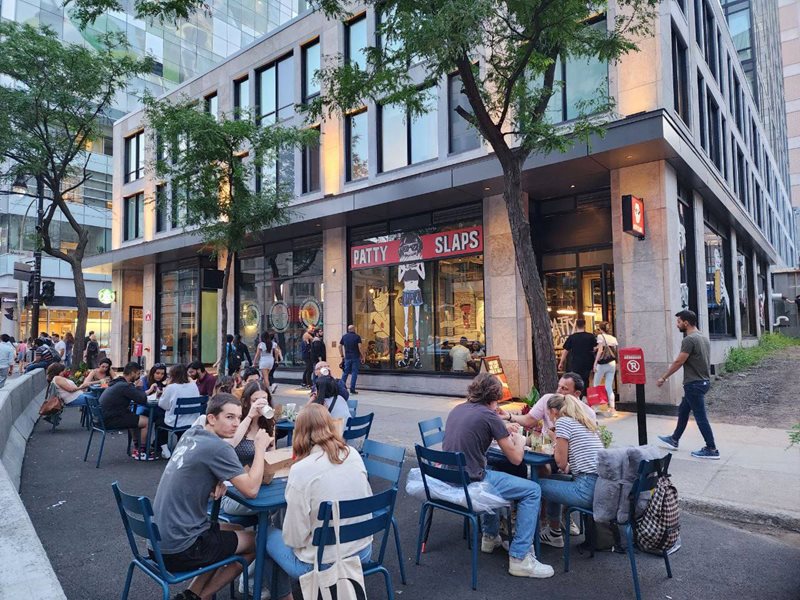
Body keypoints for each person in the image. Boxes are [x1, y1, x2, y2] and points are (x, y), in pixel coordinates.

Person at [152, 394, 267, 600]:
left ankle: (191, 595)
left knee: (237, 530)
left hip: (158, 541)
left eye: (238, 418)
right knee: (255, 542)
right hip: (181, 547)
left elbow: (197, 466)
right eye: (230, 417)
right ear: (212, 418)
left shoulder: (192, 433)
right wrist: (259, 448)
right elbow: (251, 490)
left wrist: (218, 478)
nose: (235, 423)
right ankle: (202, 597)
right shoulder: (218, 447)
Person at [442, 373, 554, 579]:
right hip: (470, 481)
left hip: (448, 477)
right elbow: (516, 459)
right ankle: (520, 558)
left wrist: (501, 427)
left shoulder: (458, 409)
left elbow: (478, 427)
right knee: (532, 490)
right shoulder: (489, 416)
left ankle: (490, 536)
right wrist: (519, 440)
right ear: (496, 396)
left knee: (494, 472)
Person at [265, 403, 373, 600]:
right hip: (363, 551)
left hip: (323, 563)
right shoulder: (353, 454)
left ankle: (283, 596)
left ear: (300, 432)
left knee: (264, 535)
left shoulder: (301, 470)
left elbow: (293, 539)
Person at [537, 394, 604, 548]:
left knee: (533, 486)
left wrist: (554, 439)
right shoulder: (585, 423)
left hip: (585, 489)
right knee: (554, 480)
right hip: (599, 487)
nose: (550, 419)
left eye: (549, 415)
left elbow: (560, 463)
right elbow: (569, 465)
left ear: (554, 411)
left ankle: (525, 538)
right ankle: (554, 533)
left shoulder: (563, 422)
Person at [657, 310, 720, 459]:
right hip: (702, 382)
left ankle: (711, 448)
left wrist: (664, 377)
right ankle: (674, 439)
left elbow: (679, 361)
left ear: (686, 322)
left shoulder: (689, 340)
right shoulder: (702, 337)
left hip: (694, 384)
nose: (677, 324)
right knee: (683, 410)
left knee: (700, 417)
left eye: (679, 322)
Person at [220, 381, 277, 517]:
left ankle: (265, 535)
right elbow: (230, 444)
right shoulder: (236, 421)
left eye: (264, 399)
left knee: (285, 501)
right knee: (272, 506)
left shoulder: (269, 424)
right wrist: (250, 416)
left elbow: (272, 458)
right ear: (246, 402)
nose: (260, 404)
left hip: (260, 485)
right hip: (232, 488)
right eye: (255, 400)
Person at [499, 373, 596, 437]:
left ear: (577, 394)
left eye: (564, 388)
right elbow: (529, 420)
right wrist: (509, 416)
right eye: (558, 386)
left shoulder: (588, 413)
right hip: (546, 449)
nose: (558, 391)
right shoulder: (547, 399)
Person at [99, 362, 151, 459]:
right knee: (147, 421)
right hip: (112, 419)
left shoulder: (117, 383)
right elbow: (142, 399)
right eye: (138, 373)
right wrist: (139, 388)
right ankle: (143, 451)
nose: (139, 376)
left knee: (133, 417)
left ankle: (137, 446)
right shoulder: (125, 386)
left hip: (103, 418)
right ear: (132, 373)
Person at [159, 364, 202, 429]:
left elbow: (163, 405)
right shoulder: (194, 385)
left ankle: (162, 439)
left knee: (158, 420)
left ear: (172, 375)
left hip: (175, 423)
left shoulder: (171, 387)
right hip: (193, 421)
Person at [559, 319, 596, 390]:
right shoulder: (590, 336)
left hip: (576, 362)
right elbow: (595, 348)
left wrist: (561, 362)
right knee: (586, 379)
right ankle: (585, 394)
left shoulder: (572, 337)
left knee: (576, 379)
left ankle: (578, 394)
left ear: (576, 325)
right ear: (584, 325)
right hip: (588, 361)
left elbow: (565, 351)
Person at [592, 322, 618, 414]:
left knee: (596, 385)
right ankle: (612, 408)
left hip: (602, 363)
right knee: (609, 386)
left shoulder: (600, 337)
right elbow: (613, 350)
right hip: (612, 363)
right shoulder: (613, 338)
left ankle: (596, 407)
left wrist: (595, 363)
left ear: (600, 328)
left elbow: (600, 351)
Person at [339, 325, 364, 395]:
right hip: (355, 357)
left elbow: (339, 346)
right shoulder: (357, 337)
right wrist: (362, 356)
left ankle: (341, 387)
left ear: (348, 329)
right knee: (354, 373)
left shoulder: (344, 337)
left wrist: (342, 355)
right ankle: (352, 389)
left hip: (347, 357)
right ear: (354, 329)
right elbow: (360, 347)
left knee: (345, 372)